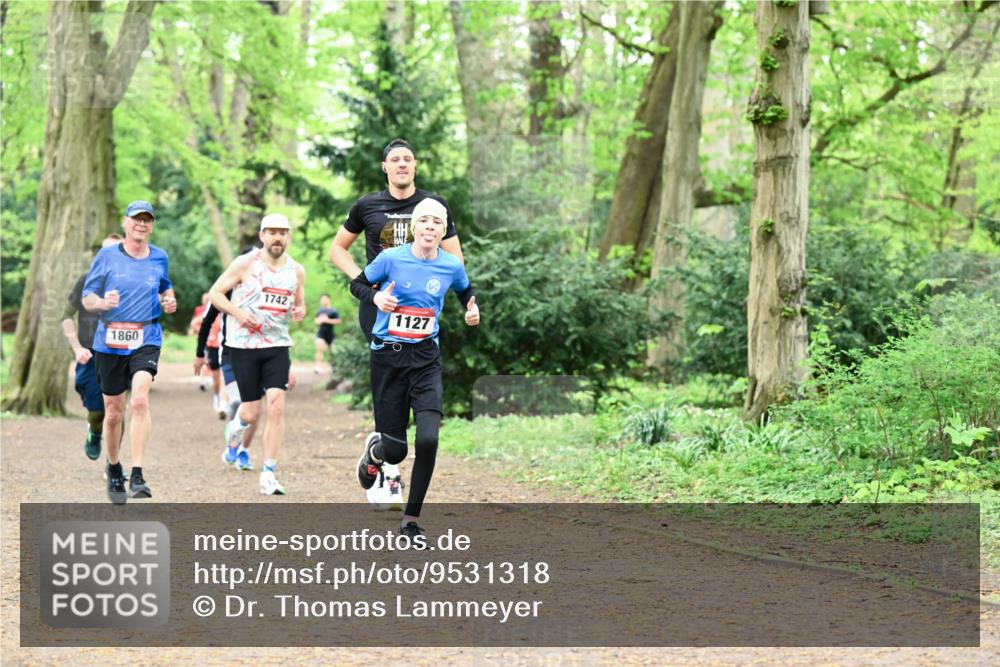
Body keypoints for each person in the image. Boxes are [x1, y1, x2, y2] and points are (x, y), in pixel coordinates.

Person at [350, 197, 480, 539]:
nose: (430, 228)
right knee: (397, 449)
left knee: (428, 439)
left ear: (442, 231)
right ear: (414, 227)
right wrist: (376, 298)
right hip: (389, 359)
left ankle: (410, 520)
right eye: (424, 222)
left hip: (425, 360)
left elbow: (467, 291)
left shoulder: (450, 265)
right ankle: (375, 453)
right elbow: (357, 284)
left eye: (437, 224)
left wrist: (471, 308)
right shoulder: (392, 258)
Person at [82, 201, 176, 504]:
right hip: (109, 340)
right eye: (137, 219)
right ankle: (113, 468)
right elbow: (87, 297)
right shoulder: (107, 255)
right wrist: (101, 303)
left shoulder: (159, 256)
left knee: (138, 400)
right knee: (113, 413)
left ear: (152, 225)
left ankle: (137, 474)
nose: (142, 224)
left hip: (146, 334)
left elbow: (165, 286)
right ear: (126, 222)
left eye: (148, 220)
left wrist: (169, 300)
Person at [328, 138, 464, 343]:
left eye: (407, 159)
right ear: (385, 166)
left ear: (415, 165)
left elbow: (455, 259)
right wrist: (362, 278)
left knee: (420, 367)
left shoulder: (434, 205)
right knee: (386, 368)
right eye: (395, 160)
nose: (402, 164)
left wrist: (436, 286)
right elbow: (337, 248)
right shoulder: (367, 205)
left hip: (420, 301)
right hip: (378, 302)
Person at [209, 214, 305, 495]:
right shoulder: (245, 263)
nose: (278, 237)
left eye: (283, 233)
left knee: (276, 406)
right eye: (272, 232)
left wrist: (300, 311)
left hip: (277, 346)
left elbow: (299, 306)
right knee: (251, 411)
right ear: (262, 235)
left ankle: (269, 472)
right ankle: (237, 429)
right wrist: (240, 314)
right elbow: (216, 293)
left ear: (288, 237)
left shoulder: (296, 271)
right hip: (243, 346)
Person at [62, 233, 122, 461]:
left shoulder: (129, 283)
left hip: (119, 353)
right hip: (90, 355)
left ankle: (113, 464)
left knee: (117, 410)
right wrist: (77, 348)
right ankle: (95, 431)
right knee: (97, 412)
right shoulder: (85, 280)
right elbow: (66, 317)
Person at [313, 294, 341, 374]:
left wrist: (327, 320)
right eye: (322, 299)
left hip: (330, 333)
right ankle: (318, 367)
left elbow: (338, 321)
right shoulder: (319, 311)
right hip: (321, 333)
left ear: (329, 299)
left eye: (325, 299)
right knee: (319, 349)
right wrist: (319, 321)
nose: (323, 300)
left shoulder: (333, 311)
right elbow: (316, 321)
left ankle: (334, 367)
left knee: (332, 351)